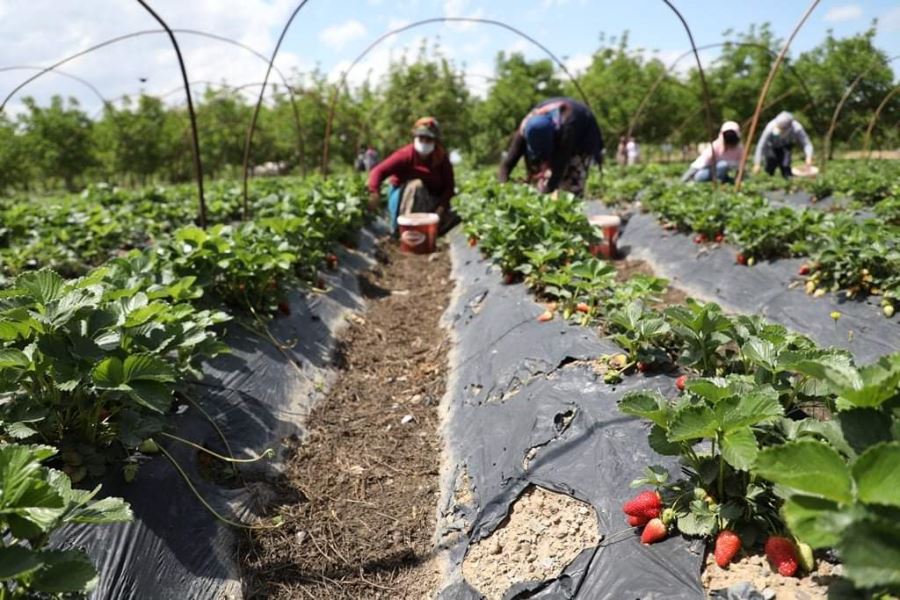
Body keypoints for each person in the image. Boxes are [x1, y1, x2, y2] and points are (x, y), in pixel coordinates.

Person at [498, 97, 603, 197]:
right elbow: (507, 164)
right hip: (556, 131)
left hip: (582, 136)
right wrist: (503, 187)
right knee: (537, 179)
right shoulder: (524, 129)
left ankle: (570, 208)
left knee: (571, 182)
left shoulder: (567, 127)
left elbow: (560, 165)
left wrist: (546, 194)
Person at [367, 117, 458, 234]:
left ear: (435, 141)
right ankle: (407, 230)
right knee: (417, 186)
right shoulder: (405, 155)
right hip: (404, 201)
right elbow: (378, 171)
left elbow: (449, 187)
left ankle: (430, 231)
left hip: (431, 203)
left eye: (429, 139)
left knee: (456, 216)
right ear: (415, 138)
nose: (424, 142)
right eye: (421, 138)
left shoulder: (441, 158)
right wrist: (374, 192)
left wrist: (441, 208)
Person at [752, 111, 813, 178]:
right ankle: (768, 179)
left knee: (785, 166)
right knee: (770, 165)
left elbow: (807, 143)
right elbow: (761, 145)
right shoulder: (770, 127)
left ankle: (787, 179)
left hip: (786, 146)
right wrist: (757, 163)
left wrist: (809, 157)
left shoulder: (797, 128)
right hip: (771, 147)